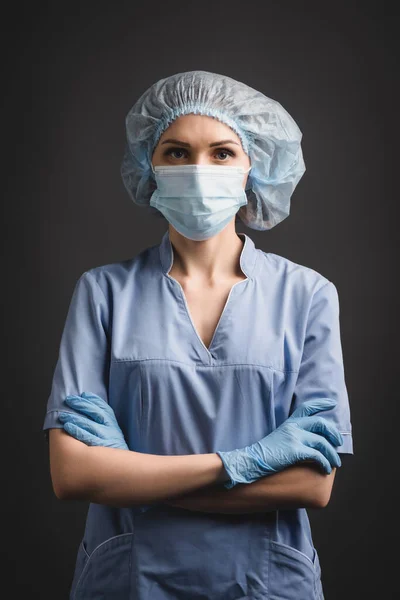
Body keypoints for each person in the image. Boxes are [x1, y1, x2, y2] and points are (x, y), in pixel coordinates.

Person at [43, 70, 354, 600]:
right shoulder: (103, 294)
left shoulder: (307, 295)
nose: (199, 170)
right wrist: (245, 463)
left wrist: (130, 477)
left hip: (268, 581)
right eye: (177, 153)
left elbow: (311, 485)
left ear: (254, 165)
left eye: (223, 153)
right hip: (129, 580)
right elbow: (73, 475)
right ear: (149, 166)